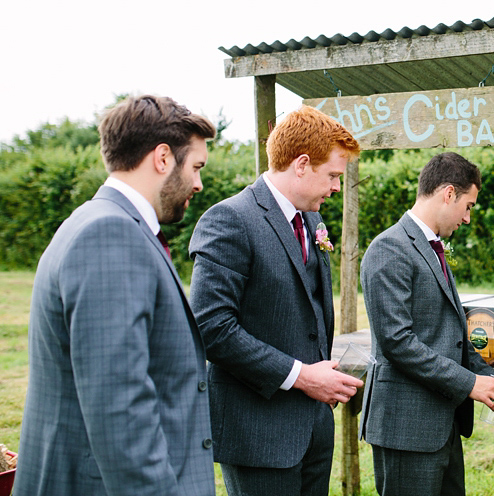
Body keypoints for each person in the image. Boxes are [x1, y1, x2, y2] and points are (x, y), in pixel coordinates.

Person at [14, 95, 217, 496]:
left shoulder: (95, 221)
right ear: (162, 158)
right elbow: (119, 410)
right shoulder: (110, 234)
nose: (198, 183)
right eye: (195, 166)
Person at [189, 106, 364, 496]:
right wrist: (302, 377)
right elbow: (211, 329)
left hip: (314, 427)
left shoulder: (313, 222)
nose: (337, 187)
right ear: (302, 164)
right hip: (258, 433)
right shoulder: (229, 220)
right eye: (333, 175)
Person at [359, 152, 494, 496]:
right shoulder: (389, 248)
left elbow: (451, 333)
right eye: (468, 206)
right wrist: (469, 383)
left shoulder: (432, 248)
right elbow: (397, 342)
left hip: (442, 423)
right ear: (448, 193)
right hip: (406, 427)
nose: (468, 218)